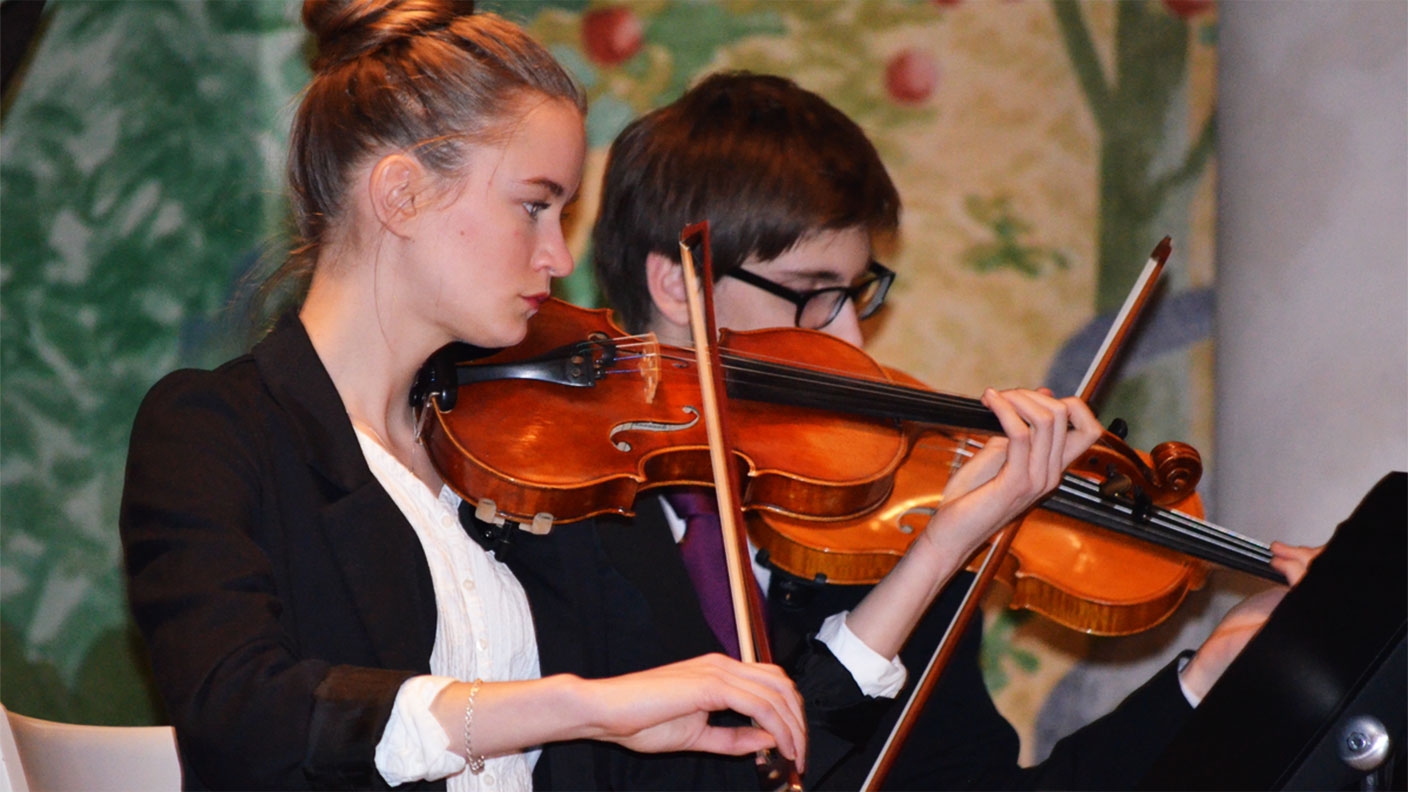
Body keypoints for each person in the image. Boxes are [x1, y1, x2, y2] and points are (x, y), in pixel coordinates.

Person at [512, 71, 1319, 789]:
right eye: (812, 291)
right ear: (678, 284)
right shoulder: (550, 515)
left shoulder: (876, 537)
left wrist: (1205, 682)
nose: (853, 340)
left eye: (856, 292)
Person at [118, 6, 811, 790]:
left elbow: (691, 741)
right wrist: (571, 706)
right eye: (533, 206)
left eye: (564, 215)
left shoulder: (525, 444)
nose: (555, 255)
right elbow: (242, 718)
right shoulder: (217, 432)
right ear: (402, 194)